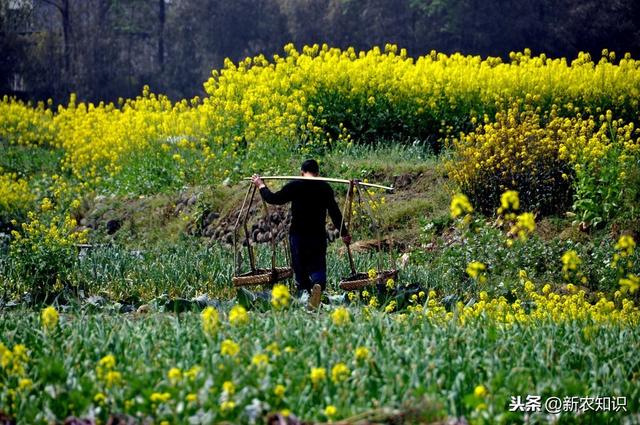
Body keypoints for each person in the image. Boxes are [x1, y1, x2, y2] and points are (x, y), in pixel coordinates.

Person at [251, 159, 351, 302]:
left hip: (299, 235)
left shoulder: (295, 186)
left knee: (300, 267)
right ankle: (318, 288)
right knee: (318, 266)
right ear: (317, 173)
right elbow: (335, 213)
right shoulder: (325, 188)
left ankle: (304, 295)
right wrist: (344, 233)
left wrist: (260, 185)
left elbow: (273, 199)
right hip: (317, 236)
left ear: (302, 172)